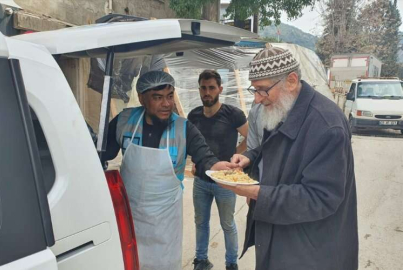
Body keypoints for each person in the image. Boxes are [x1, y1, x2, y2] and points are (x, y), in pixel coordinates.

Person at [220, 44, 359, 270]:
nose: (257, 99)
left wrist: (256, 192)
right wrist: (249, 158)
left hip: (311, 252)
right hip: (279, 239)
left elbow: (320, 197)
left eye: (262, 90)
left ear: (291, 81)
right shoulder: (283, 107)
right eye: (253, 90)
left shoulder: (326, 125)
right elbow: (276, 148)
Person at [101, 70, 236, 270]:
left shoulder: (183, 128)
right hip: (131, 216)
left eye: (170, 96)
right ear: (142, 99)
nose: (167, 104)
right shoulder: (125, 121)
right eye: (158, 98)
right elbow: (105, 152)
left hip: (165, 220)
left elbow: (204, 154)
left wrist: (216, 166)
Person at [188, 70, 248, 270]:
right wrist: (194, 159)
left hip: (225, 181)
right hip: (201, 181)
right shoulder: (194, 115)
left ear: (220, 89)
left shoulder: (233, 114)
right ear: (199, 89)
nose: (207, 92)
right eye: (203, 88)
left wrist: (234, 155)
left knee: (227, 224)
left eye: (211, 88)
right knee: (201, 223)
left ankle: (231, 264)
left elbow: (251, 137)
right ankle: (201, 260)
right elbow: (190, 142)